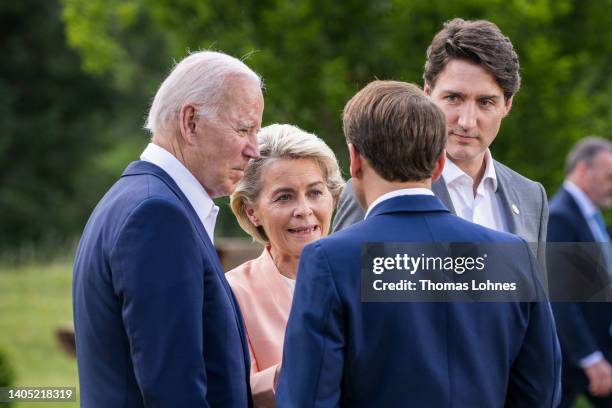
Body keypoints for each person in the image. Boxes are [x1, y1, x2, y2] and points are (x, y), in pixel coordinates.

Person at [276, 80, 560, 407]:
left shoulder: (329, 259)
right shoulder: (513, 257)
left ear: (354, 159)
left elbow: (307, 398)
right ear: (439, 164)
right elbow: (541, 391)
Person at [72, 51, 264, 407]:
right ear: (190, 122)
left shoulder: (139, 199)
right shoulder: (157, 215)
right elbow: (174, 391)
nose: (254, 149)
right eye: (243, 129)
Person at [333, 19, 548, 261]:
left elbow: (536, 296)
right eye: (454, 98)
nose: (467, 121)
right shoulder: (375, 186)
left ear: (507, 105)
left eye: (485, 102)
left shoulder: (531, 197)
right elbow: (344, 285)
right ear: (427, 93)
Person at [226, 124, 344, 407]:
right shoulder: (232, 292)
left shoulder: (363, 277)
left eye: (315, 192)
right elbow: (235, 392)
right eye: (284, 197)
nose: (304, 210)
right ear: (251, 212)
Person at [548, 137, 612, 407]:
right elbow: (560, 298)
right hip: (577, 357)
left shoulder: (591, 217)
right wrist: (590, 358)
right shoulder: (560, 217)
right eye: (609, 176)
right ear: (584, 170)